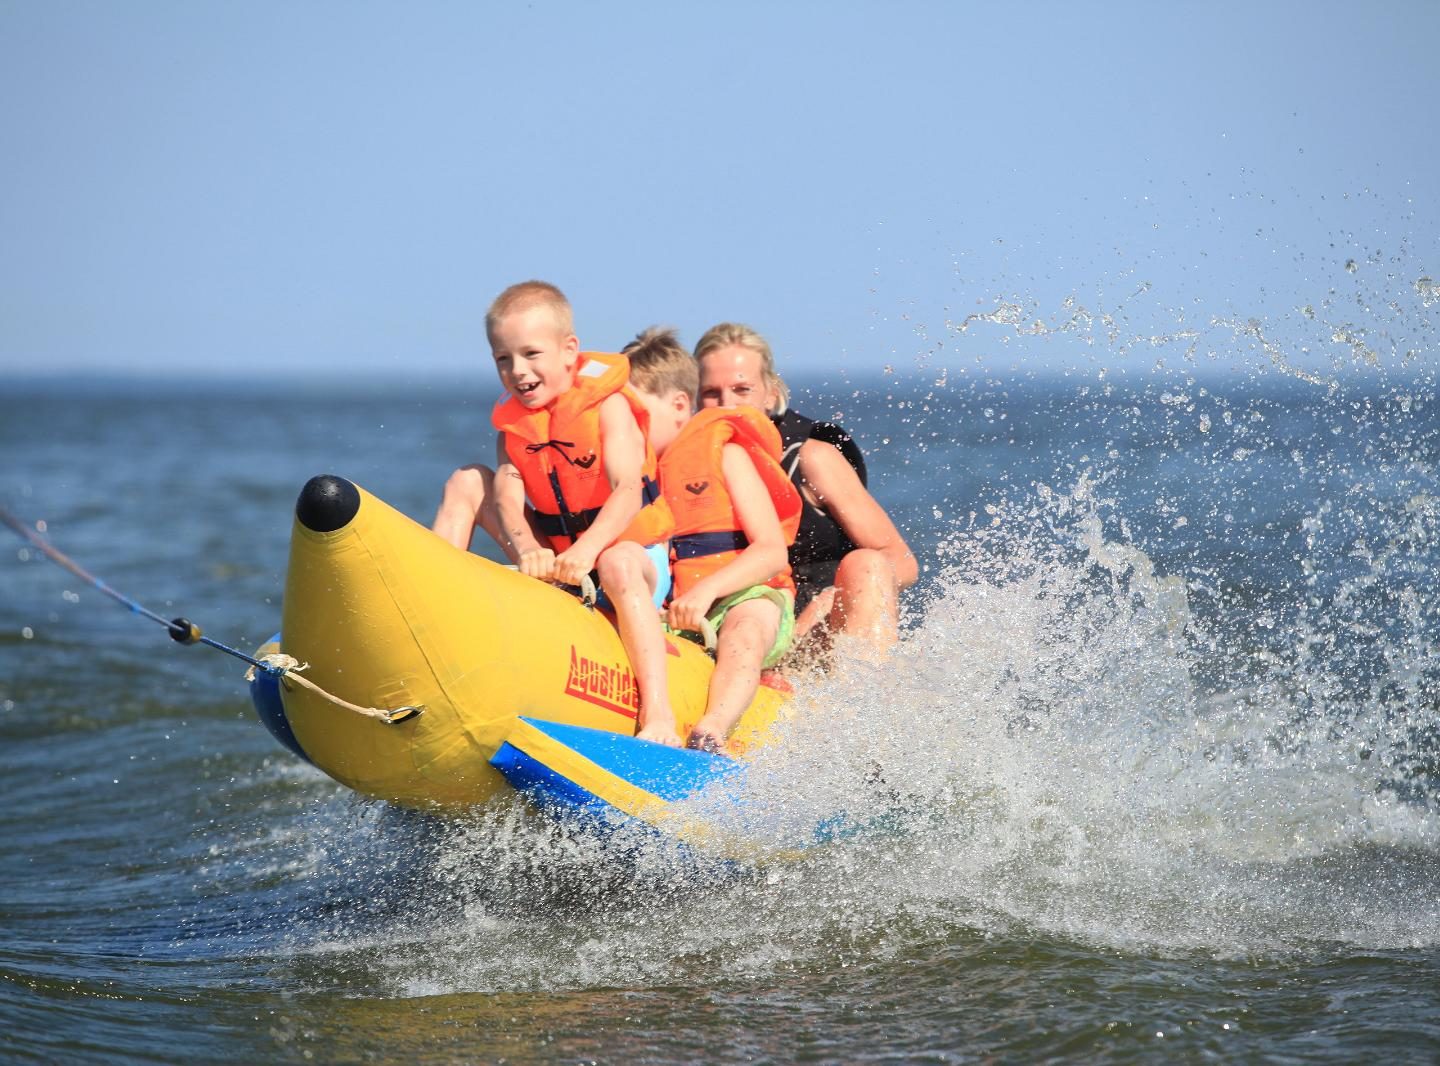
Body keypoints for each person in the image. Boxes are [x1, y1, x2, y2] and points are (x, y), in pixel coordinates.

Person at [431, 281, 678, 739]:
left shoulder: (609, 409)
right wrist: (528, 549)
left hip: (631, 559)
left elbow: (627, 490)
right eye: (503, 359)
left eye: (530, 354)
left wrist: (587, 550)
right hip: (560, 556)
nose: (517, 371)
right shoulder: (515, 424)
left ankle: (660, 714)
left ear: (569, 351)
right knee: (468, 480)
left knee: (617, 561)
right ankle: (428, 620)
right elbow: (506, 492)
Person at [692, 323, 917, 660]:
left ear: (770, 394)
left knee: (867, 564)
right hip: (735, 621)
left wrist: (833, 595)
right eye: (711, 392)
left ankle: (859, 698)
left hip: (816, 631)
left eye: (742, 390)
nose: (727, 405)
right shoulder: (680, 466)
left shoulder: (813, 459)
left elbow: (901, 560)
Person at [624, 328, 801, 750]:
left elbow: (771, 551)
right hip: (676, 610)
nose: (625, 428)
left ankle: (711, 731)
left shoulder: (727, 454)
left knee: (743, 632)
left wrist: (707, 592)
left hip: (749, 595)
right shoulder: (631, 473)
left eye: (635, 416)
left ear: (678, 405)